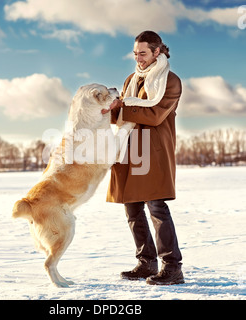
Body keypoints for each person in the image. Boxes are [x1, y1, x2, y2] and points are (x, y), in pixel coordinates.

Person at [103, 31, 184, 285]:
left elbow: (156, 115)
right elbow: (121, 117)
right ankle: (146, 262)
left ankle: (172, 267)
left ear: (157, 51)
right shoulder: (131, 79)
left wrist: (122, 107)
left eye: (143, 53)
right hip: (129, 149)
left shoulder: (170, 81)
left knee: (157, 207)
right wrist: (107, 110)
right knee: (132, 207)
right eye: (135, 53)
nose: (138, 58)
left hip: (153, 150)